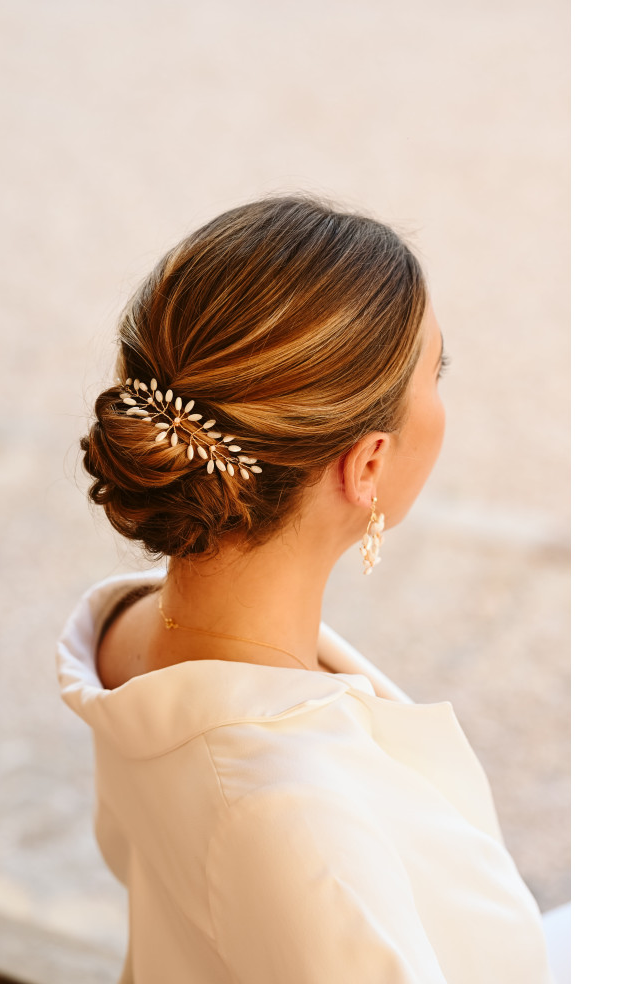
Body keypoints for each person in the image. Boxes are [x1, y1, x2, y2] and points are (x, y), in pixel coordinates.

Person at [57, 196, 569, 982]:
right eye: (437, 373)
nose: (442, 399)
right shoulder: (296, 818)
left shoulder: (128, 633)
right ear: (366, 465)